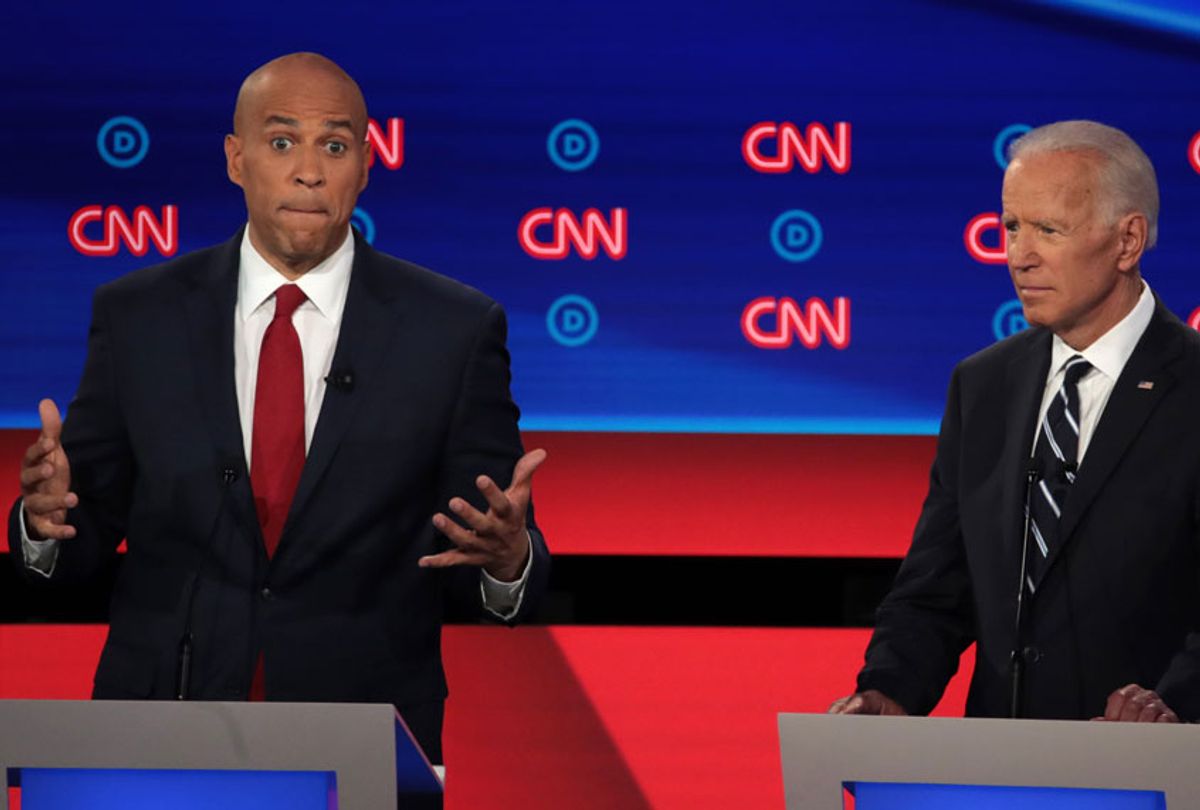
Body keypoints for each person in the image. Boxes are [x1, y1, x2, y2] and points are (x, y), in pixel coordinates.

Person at [9, 52, 550, 765]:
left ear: (365, 163)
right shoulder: (140, 315)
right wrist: (43, 524)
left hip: (364, 734)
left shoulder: (453, 330)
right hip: (163, 721)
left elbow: (491, 549)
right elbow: (82, 536)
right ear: (237, 160)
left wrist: (509, 560)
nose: (309, 170)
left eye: (335, 144)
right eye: (281, 140)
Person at [830, 120, 1200, 723]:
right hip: (1002, 769)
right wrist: (888, 691)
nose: (1018, 256)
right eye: (1011, 227)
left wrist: (1174, 705)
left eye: (1048, 230)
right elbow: (938, 586)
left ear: (1127, 241)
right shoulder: (982, 386)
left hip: (1159, 772)